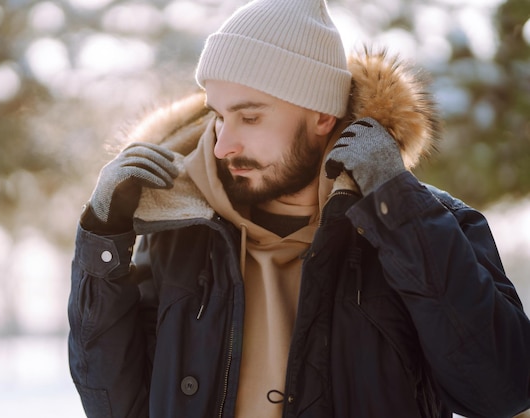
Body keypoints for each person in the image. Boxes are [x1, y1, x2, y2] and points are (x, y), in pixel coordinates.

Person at [68, 0, 530, 416]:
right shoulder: (176, 230)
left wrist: (398, 205)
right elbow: (115, 407)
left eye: (249, 116)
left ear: (321, 116)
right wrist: (103, 236)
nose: (223, 144)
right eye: (219, 115)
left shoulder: (432, 225)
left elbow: (500, 392)